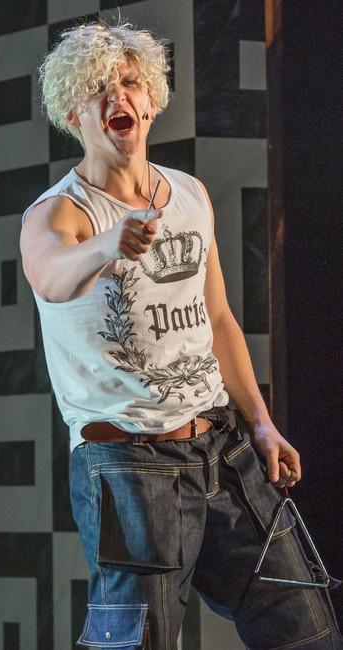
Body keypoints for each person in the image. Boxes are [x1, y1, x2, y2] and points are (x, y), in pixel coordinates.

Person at [20, 21, 341, 650]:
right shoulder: (59, 211)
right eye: (98, 88)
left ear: (151, 99)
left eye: (130, 82)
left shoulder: (190, 194)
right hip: (131, 466)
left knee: (307, 630)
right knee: (134, 643)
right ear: (72, 112)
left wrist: (262, 424)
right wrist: (107, 246)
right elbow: (50, 277)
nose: (119, 96)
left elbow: (217, 320)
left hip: (222, 449)